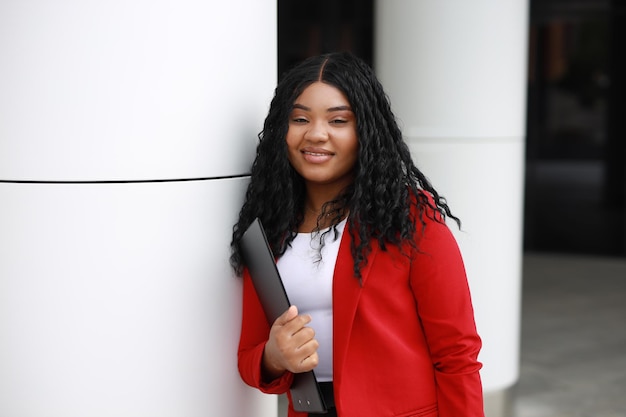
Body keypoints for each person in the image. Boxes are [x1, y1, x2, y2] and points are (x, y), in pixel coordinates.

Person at [230, 52, 484, 417]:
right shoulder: (269, 228)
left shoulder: (411, 219)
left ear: (365, 131)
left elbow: (457, 354)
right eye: (299, 118)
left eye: (338, 120)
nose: (316, 134)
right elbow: (250, 356)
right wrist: (273, 356)